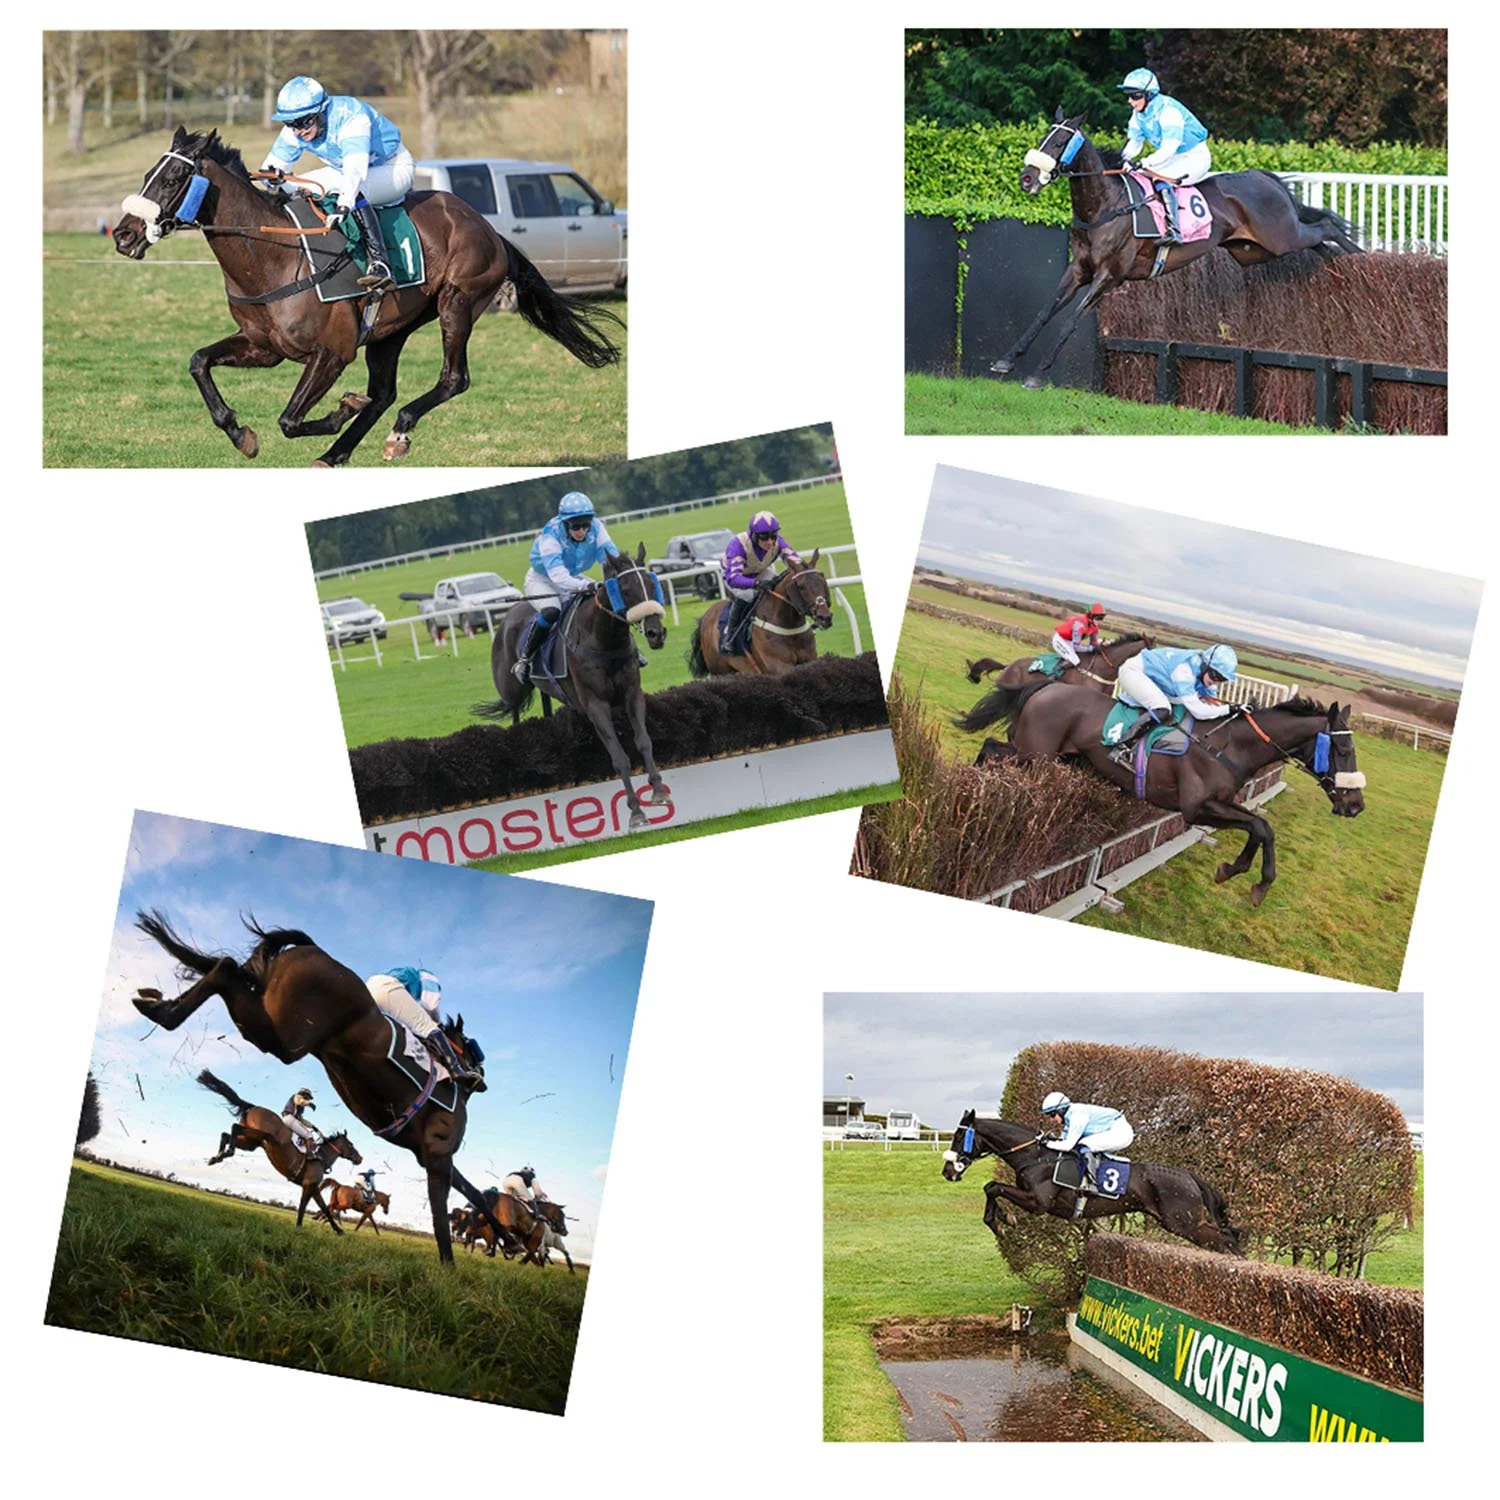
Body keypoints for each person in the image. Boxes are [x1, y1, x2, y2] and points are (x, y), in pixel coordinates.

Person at [260, 76, 414, 295]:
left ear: (321, 112)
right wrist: (272, 179)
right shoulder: (297, 129)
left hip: (393, 168)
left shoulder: (351, 117)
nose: (298, 130)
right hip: (345, 172)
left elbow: (355, 170)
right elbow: (270, 169)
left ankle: (381, 265)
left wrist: (344, 205)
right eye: (291, 123)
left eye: (304, 122)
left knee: (352, 192)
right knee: (298, 186)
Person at [514, 492, 622, 683]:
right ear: (565, 523)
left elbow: (610, 557)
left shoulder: (597, 527)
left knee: (604, 603)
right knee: (551, 611)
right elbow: (558, 576)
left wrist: (620, 574)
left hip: (572, 576)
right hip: (543, 580)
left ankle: (630, 651)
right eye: (575, 526)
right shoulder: (550, 535)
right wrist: (587, 584)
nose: (581, 531)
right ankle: (525, 659)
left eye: (585, 524)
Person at [1117, 68, 1211, 242]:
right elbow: (1135, 143)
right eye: (1128, 96)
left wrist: (1144, 162)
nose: (1130, 101)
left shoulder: (1168, 111)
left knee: (1161, 179)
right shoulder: (1138, 114)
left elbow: (1169, 148)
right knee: (1137, 176)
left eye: (1135, 96)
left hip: (1195, 158)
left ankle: (1174, 231)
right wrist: (1123, 160)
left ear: (1149, 95)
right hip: (1174, 158)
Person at [1110, 643, 1238, 761]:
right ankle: (1123, 745)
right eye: (1215, 676)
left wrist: (1232, 709)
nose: (1215, 682)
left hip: (1155, 680)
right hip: (1134, 671)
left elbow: (1213, 705)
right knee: (1162, 708)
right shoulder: (1184, 670)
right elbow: (1198, 711)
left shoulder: (1206, 675)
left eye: (1222, 679)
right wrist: (1227, 709)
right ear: (1205, 665)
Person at [364, 965, 482, 1085]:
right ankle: (456, 1070)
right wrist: (437, 1025)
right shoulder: (430, 978)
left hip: (368, 989)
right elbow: (430, 1005)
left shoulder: (405, 975)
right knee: (428, 1027)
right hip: (387, 987)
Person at [720, 512, 802, 655]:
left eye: (773, 536)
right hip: (736, 575)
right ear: (754, 536)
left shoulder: (778, 542)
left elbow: (796, 562)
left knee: (779, 588)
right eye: (764, 537)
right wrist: (756, 584)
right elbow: (733, 578)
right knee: (747, 596)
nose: (770, 542)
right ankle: (730, 635)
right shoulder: (738, 545)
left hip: (761, 570)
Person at [1041, 1091, 1135, 1191]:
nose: (1052, 1120)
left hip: (1121, 1132)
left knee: (1084, 1145)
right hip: (1112, 1130)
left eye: (1052, 1115)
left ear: (1061, 1110)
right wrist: (1050, 1140)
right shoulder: (1070, 1118)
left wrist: (1047, 1143)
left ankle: (1092, 1183)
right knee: (1082, 1146)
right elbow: (1063, 1140)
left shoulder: (1077, 1116)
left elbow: (1067, 1146)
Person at [281, 1087, 323, 1160]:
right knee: (308, 1134)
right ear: (304, 1094)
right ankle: (309, 1155)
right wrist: (310, 1104)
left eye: (309, 1099)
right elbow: (299, 1101)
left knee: (302, 1137)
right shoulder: (297, 1096)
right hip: (289, 1119)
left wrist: (313, 1126)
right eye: (308, 1097)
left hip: (289, 1119)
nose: (308, 1099)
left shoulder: (300, 1108)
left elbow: (301, 1120)